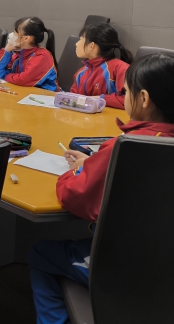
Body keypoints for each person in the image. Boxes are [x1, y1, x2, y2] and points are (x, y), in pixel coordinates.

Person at [28, 53, 174, 324]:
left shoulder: (125, 147)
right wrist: (94, 163)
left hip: (132, 265)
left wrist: (76, 170)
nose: (124, 97)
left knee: (42, 254)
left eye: (126, 92)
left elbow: (75, 194)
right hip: (165, 255)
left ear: (143, 99)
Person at [70, 23, 133, 109]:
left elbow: (132, 100)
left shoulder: (120, 68)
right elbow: (73, 100)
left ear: (91, 46)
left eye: (80, 39)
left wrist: (100, 99)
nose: (76, 44)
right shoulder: (81, 72)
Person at [0, 17, 59, 91]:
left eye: (15, 32)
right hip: (24, 92)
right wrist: (7, 51)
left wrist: (6, 76)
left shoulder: (42, 56)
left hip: (44, 95)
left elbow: (23, 79)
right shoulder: (18, 54)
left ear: (26, 38)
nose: (12, 35)